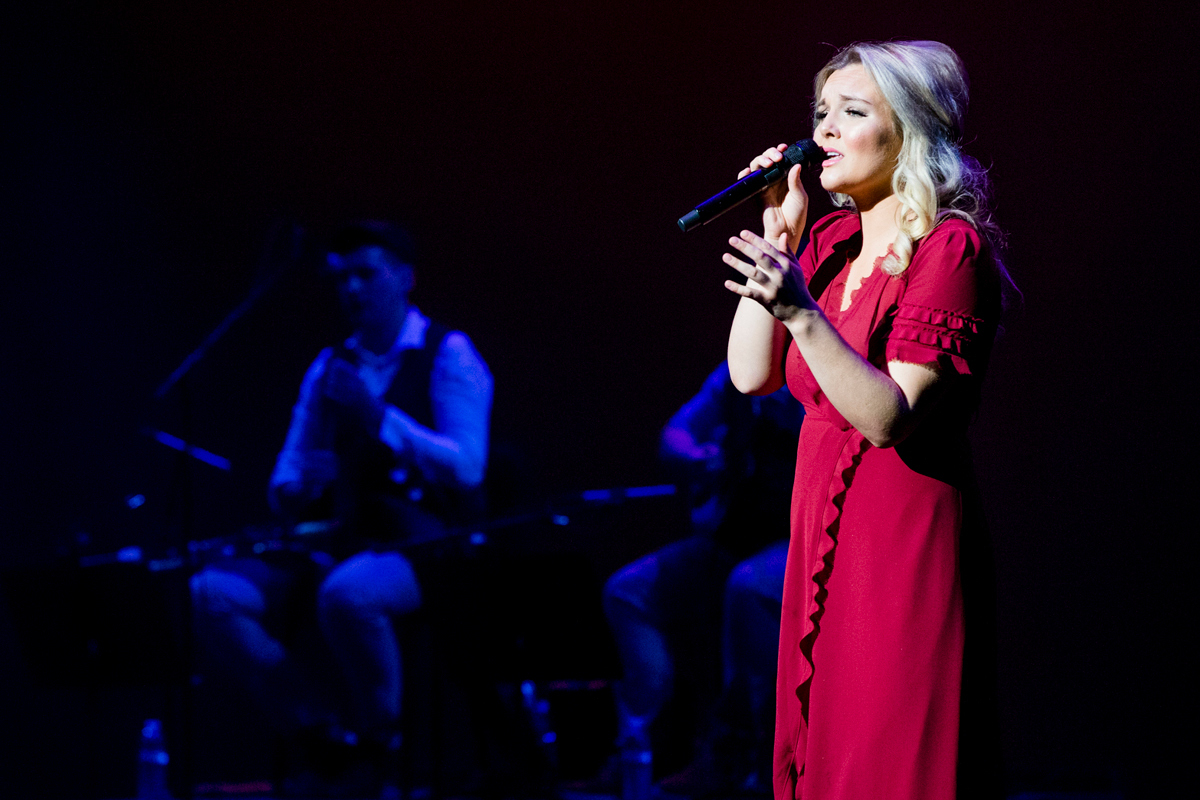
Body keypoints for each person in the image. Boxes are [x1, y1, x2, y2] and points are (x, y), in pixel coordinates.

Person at [721, 41, 1011, 799]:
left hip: (901, 537)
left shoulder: (950, 248)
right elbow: (750, 374)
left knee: (887, 752)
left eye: (852, 113)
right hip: (823, 523)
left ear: (908, 131)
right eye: (821, 113)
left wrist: (800, 311)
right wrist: (779, 241)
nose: (824, 132)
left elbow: (889, 418)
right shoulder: (826, 243)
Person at [190, 220, 493, 795]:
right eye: (342, 278)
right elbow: (285, 477)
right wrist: (300, 486)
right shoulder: (329, 367)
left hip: (429, 541)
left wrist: (380, 419)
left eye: (366, 274)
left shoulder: (448, 353)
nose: (352, 290)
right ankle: (324, 738)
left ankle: (383, 747)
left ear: (404, 278)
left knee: (349, 594)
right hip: (341, 535)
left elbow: (468, 466)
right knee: (211, 596)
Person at [602, 361, 804, 796]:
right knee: (628, 591)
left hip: (803, 540)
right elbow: (674, 435)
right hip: (735, 535)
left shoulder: (817, 362)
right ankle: (642, 743)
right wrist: (699, 457)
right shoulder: (738, 371)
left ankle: (743, 757)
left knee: (748, 588)